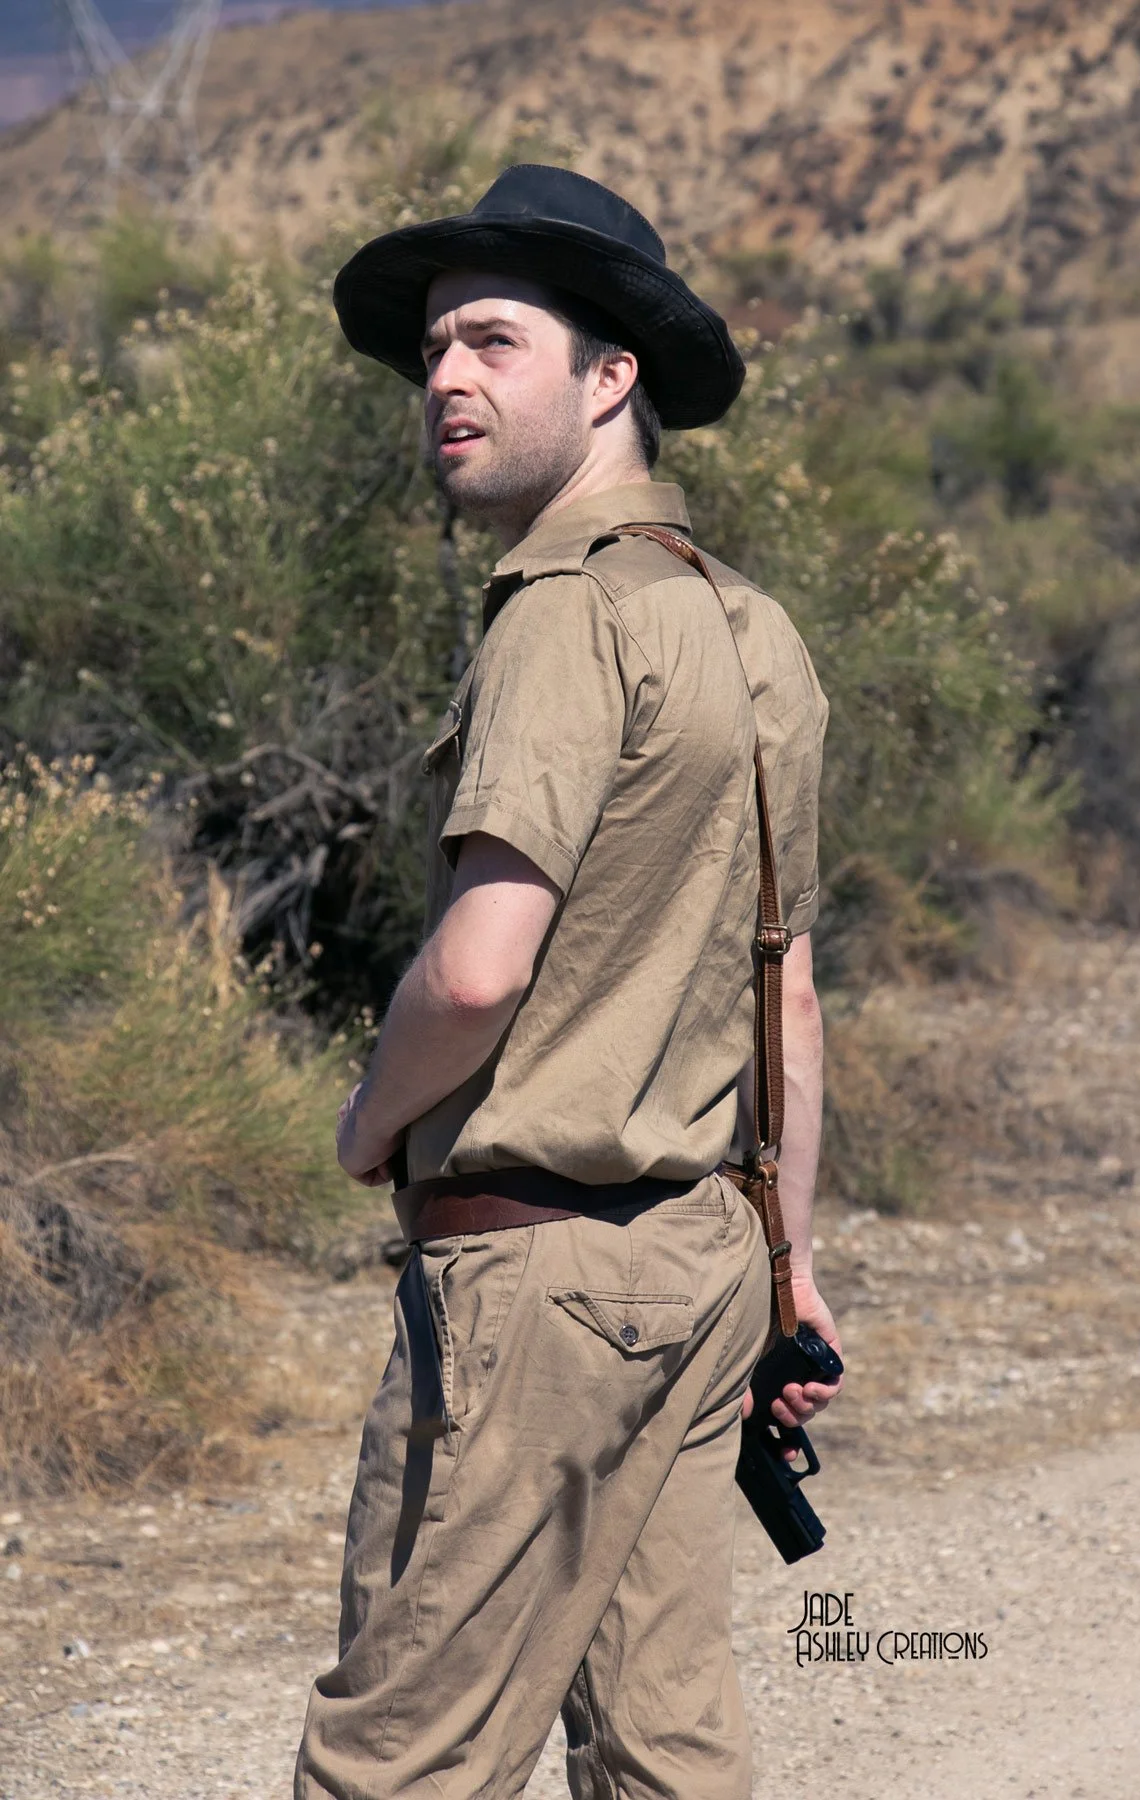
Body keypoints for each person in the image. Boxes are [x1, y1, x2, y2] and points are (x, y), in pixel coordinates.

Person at [294, 163, 843, 1800]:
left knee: (401, 1758)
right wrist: (791, 1264)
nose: (445, 379)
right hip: (703, 1268)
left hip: (534, 1288)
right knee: (665, 1750)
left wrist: (364, 1124)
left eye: (492, 342)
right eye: (437, 352)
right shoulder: (757, 633)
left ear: (612, 380)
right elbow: (788, 992)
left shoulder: (557, 615)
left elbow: (475, 973)